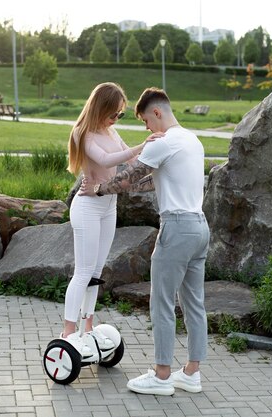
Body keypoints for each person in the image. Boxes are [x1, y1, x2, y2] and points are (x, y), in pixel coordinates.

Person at [80, 87, 210, 396]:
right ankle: (192, 373)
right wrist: (119, 185)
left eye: (145, 122)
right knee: (194, 304)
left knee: (161, 303)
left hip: (177, 230)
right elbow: (151, 182)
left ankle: (162, 375)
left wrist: (97, 190)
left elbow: (128, 178)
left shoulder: (162, 142)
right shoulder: (192, 140)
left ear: (156, 113)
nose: (146, 130)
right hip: (200, 228)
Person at [63, 82, 162, 355]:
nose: (116, 119)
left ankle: (88, 326)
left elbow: (130, 166)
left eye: (120, 115)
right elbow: (107, 160)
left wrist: (156, 161)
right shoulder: (82, 134)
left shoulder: (110, 131)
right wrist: (140, 147)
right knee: (83, 272)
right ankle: (69, 332)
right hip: (87, 207)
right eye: (113, 114)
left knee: (97, 272)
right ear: (100, 108)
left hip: (109, 206)